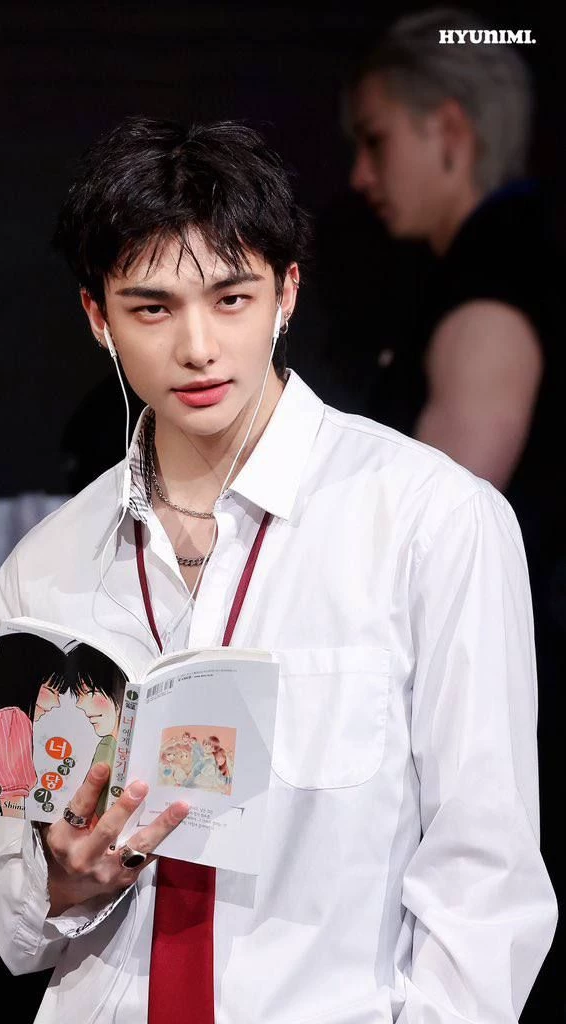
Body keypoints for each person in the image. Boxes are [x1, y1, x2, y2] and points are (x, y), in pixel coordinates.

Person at [0, 115, 556, 1024]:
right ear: (97, 317)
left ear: (287, 292)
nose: (198, 347)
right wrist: (63, 879)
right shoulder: (46, 569)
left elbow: (485, 877)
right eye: (152, 308)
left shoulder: (431, 521)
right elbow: (5, 916)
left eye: (231, 298)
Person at [343, 10, 564, 1016]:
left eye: (374, 139)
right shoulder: (494, 266)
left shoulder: (494, 280)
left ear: (449, 130)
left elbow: (438, 527)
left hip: (512, 713)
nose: (360, 174)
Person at [0, 631, 67, 818]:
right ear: (26, 682)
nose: (56, 703)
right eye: (51, 690)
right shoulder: (12, 720)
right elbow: (12, 808)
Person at [66, 642, 129, 823]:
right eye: (78, 695)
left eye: (90, 693)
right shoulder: (109, 746)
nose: (80, 704)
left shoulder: (108, 746)